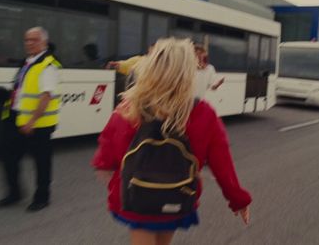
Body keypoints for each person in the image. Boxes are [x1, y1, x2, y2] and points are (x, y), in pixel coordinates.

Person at [92, 37, 251, 245]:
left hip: (135, 198)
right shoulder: (203, 113)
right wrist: (238, 200)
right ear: (188, 73)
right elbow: (223, 164)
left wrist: (111, 176)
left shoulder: (129, 108)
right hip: (177, 195)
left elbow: (106, 155)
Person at [0, 27, 61, 212]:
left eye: (34, 40)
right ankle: (14, 194)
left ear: (44, 43)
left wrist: (32, 121)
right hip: (16, 118)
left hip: (38, 123)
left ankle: (42, 197)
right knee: (8, 157)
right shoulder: (27, 62)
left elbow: (46, 96)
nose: (29, 43)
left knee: (41, 162)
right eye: (27, 40)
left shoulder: (48, 65)